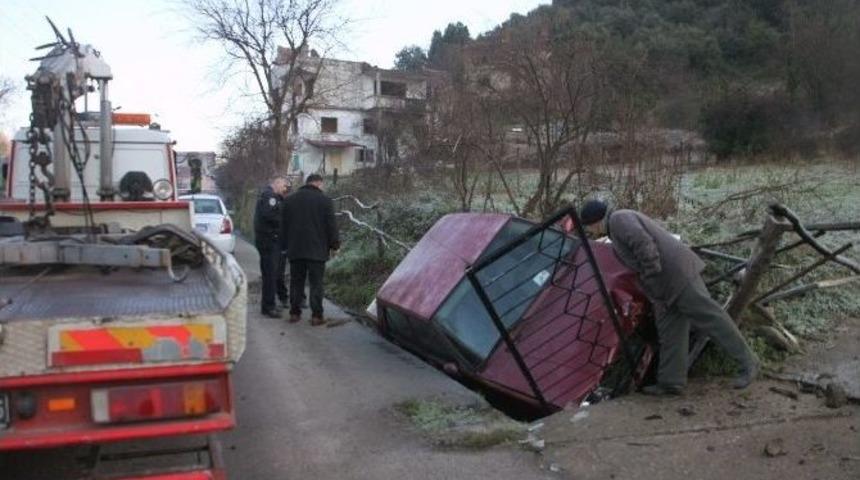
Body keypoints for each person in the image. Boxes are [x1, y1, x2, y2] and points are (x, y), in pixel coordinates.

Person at [577, 200, 758, 395]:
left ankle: (749, 363)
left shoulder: (619, 220)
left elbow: (644, 245)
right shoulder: (616, 224)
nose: (590, 232)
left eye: (589, 227)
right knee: (670, 331)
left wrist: (650, 274)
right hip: (663, 287)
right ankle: (671, 383)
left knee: (711, 318)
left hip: (677, 276)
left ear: (595, 222)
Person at [281, 174, 340, 326]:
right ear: (318, 183)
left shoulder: (289, 200)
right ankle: (316, 316)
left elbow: (283, 226)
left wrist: (284, 246)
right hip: (317, 250)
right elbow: (331, 226)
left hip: (296, 249)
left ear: (307, 183)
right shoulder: (325, 201)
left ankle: (294, 313)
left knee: (296, 282)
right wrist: (335, 245)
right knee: (316, 284)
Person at [253, 175, 288, 318]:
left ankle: (268, 305)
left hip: (268, 241)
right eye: (283, 185)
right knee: (270, 275)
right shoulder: (270, 197)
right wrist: (284, 220)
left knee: (270, 274)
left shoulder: (270, 196)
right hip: (269, 241)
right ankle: (269, 307)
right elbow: (270, 215)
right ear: (276, 183)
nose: (285, 189)